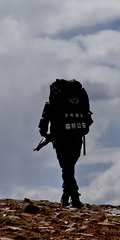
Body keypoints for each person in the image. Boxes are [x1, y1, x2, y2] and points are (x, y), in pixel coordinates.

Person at [38, 79, 93, 208]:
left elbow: (44, 121)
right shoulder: (79, 99)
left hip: (60, 137)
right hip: (77, 136)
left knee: (66, 167)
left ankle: (74, 197)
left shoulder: (52, 103)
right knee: (69, 167)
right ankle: (68, 196)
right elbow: (88, 120)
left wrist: (45, 134)